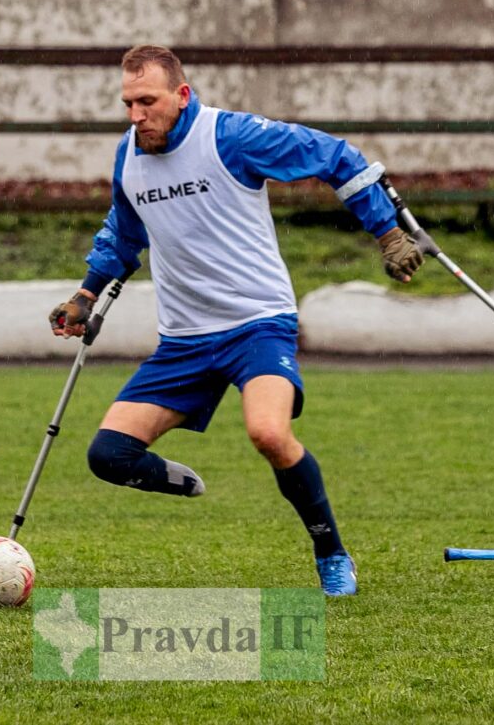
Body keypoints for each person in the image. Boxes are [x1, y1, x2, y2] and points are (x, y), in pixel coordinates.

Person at [47, 45, 424, 596]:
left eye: (146, 101)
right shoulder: (128, 155)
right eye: (127, 103)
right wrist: (85, 294)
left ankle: (331, 553)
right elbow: (124, 234)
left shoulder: (232, 136)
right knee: (108, 456)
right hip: (184, 341)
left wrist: (387, 233)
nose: (135, 115)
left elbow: (334, 155)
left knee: (268, 432)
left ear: (181, 95)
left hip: (257, 324)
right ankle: (187, 483)